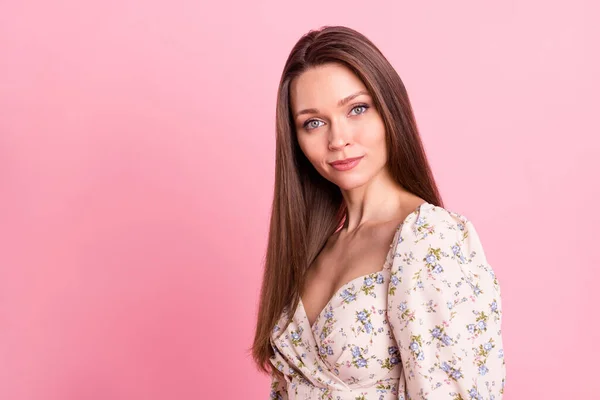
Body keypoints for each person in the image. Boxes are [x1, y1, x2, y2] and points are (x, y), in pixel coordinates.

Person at [250, 25, 506, 399]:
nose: (338, 140)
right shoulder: (312, 250)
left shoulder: (427, 240)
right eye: (314, 122)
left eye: (357, 109)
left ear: (390, 109)